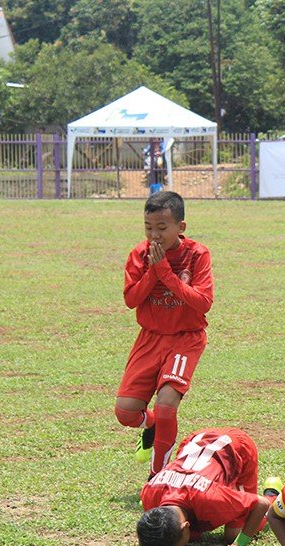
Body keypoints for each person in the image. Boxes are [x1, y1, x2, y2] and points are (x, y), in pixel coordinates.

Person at [114, 191, 213, 478]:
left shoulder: (197, 254)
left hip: (185, 338)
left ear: (180, 227)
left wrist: (166, 272)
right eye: (148, 227)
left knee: (167, 404)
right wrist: (154, 272)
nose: (154, 235)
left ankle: (158, 475)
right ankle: (152, 424)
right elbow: (131, 299)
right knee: (126, 413)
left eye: (162, 228)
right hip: (150, 338)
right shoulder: (139, 254)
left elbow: (203, 302)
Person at [137, 427, 278, 546]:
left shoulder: (211, 499)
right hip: (196, 439)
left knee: (233, 534)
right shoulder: (149, 494)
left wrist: (239, 544)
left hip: (236, 447)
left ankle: (274, 494)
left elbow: (261, 504)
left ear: (186, 526)